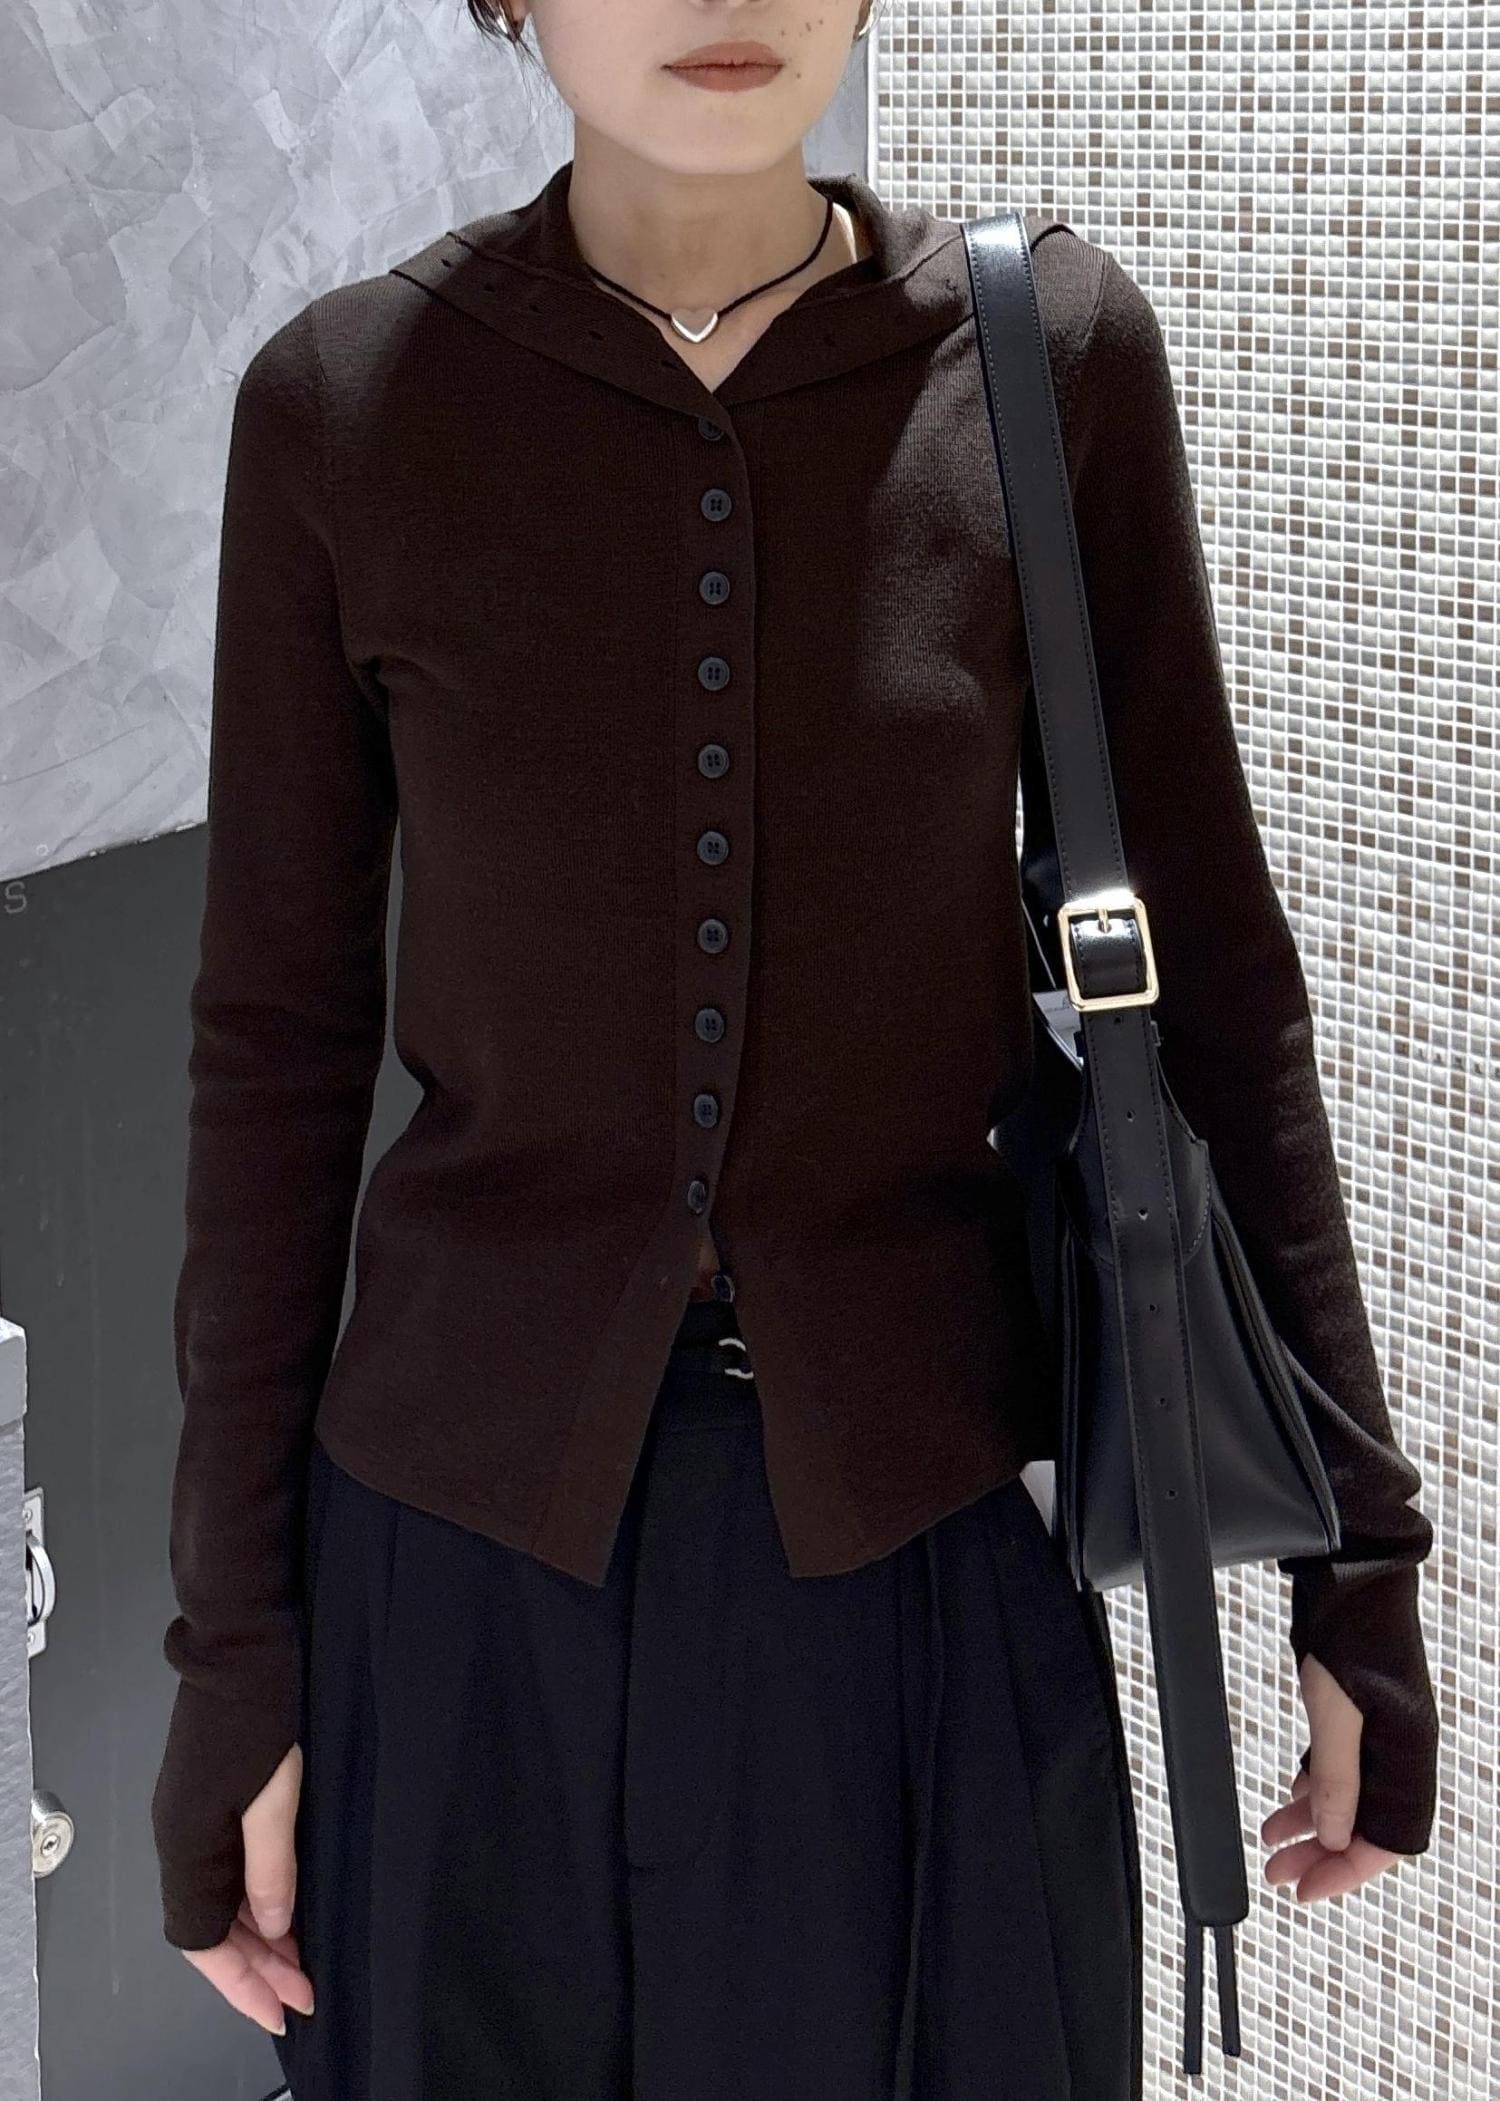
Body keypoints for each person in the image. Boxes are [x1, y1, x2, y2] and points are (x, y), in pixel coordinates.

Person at [148, 2, 1440, 2095]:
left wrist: (1357, 1572)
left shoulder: (1048, 364)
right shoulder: (348, 406)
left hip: (917, 1571)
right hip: (458, 1592)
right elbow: (274, 1056)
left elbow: (1216, 984)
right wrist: (233, 1659)